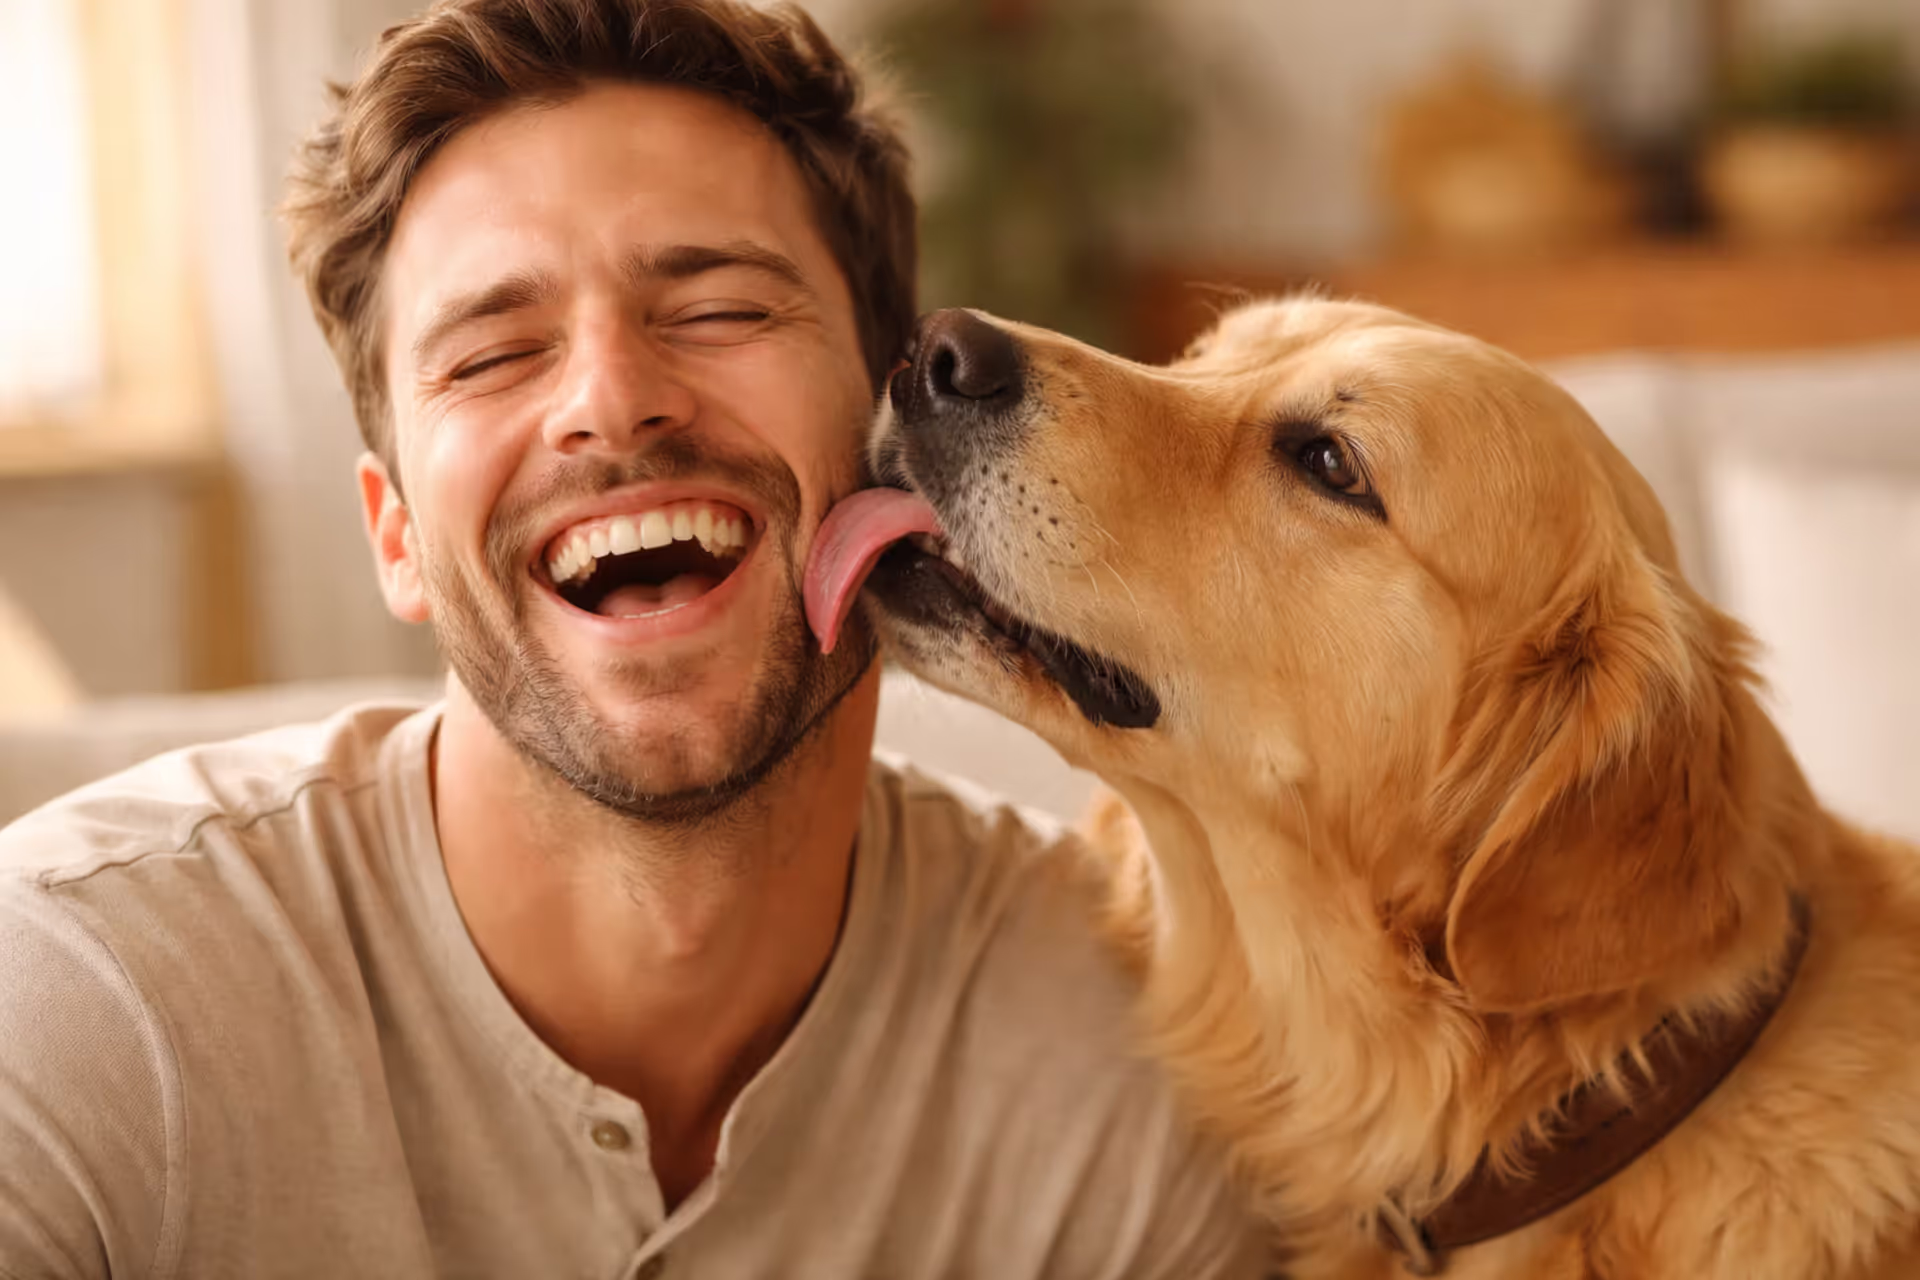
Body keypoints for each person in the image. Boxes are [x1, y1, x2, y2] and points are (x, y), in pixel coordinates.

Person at [0, 1, 1270, 1275]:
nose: (610, 398)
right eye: (493, 352)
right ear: (395, 536)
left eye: (719, 310)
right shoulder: (74, 1003)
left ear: (895, 429)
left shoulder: (1134, 1052)